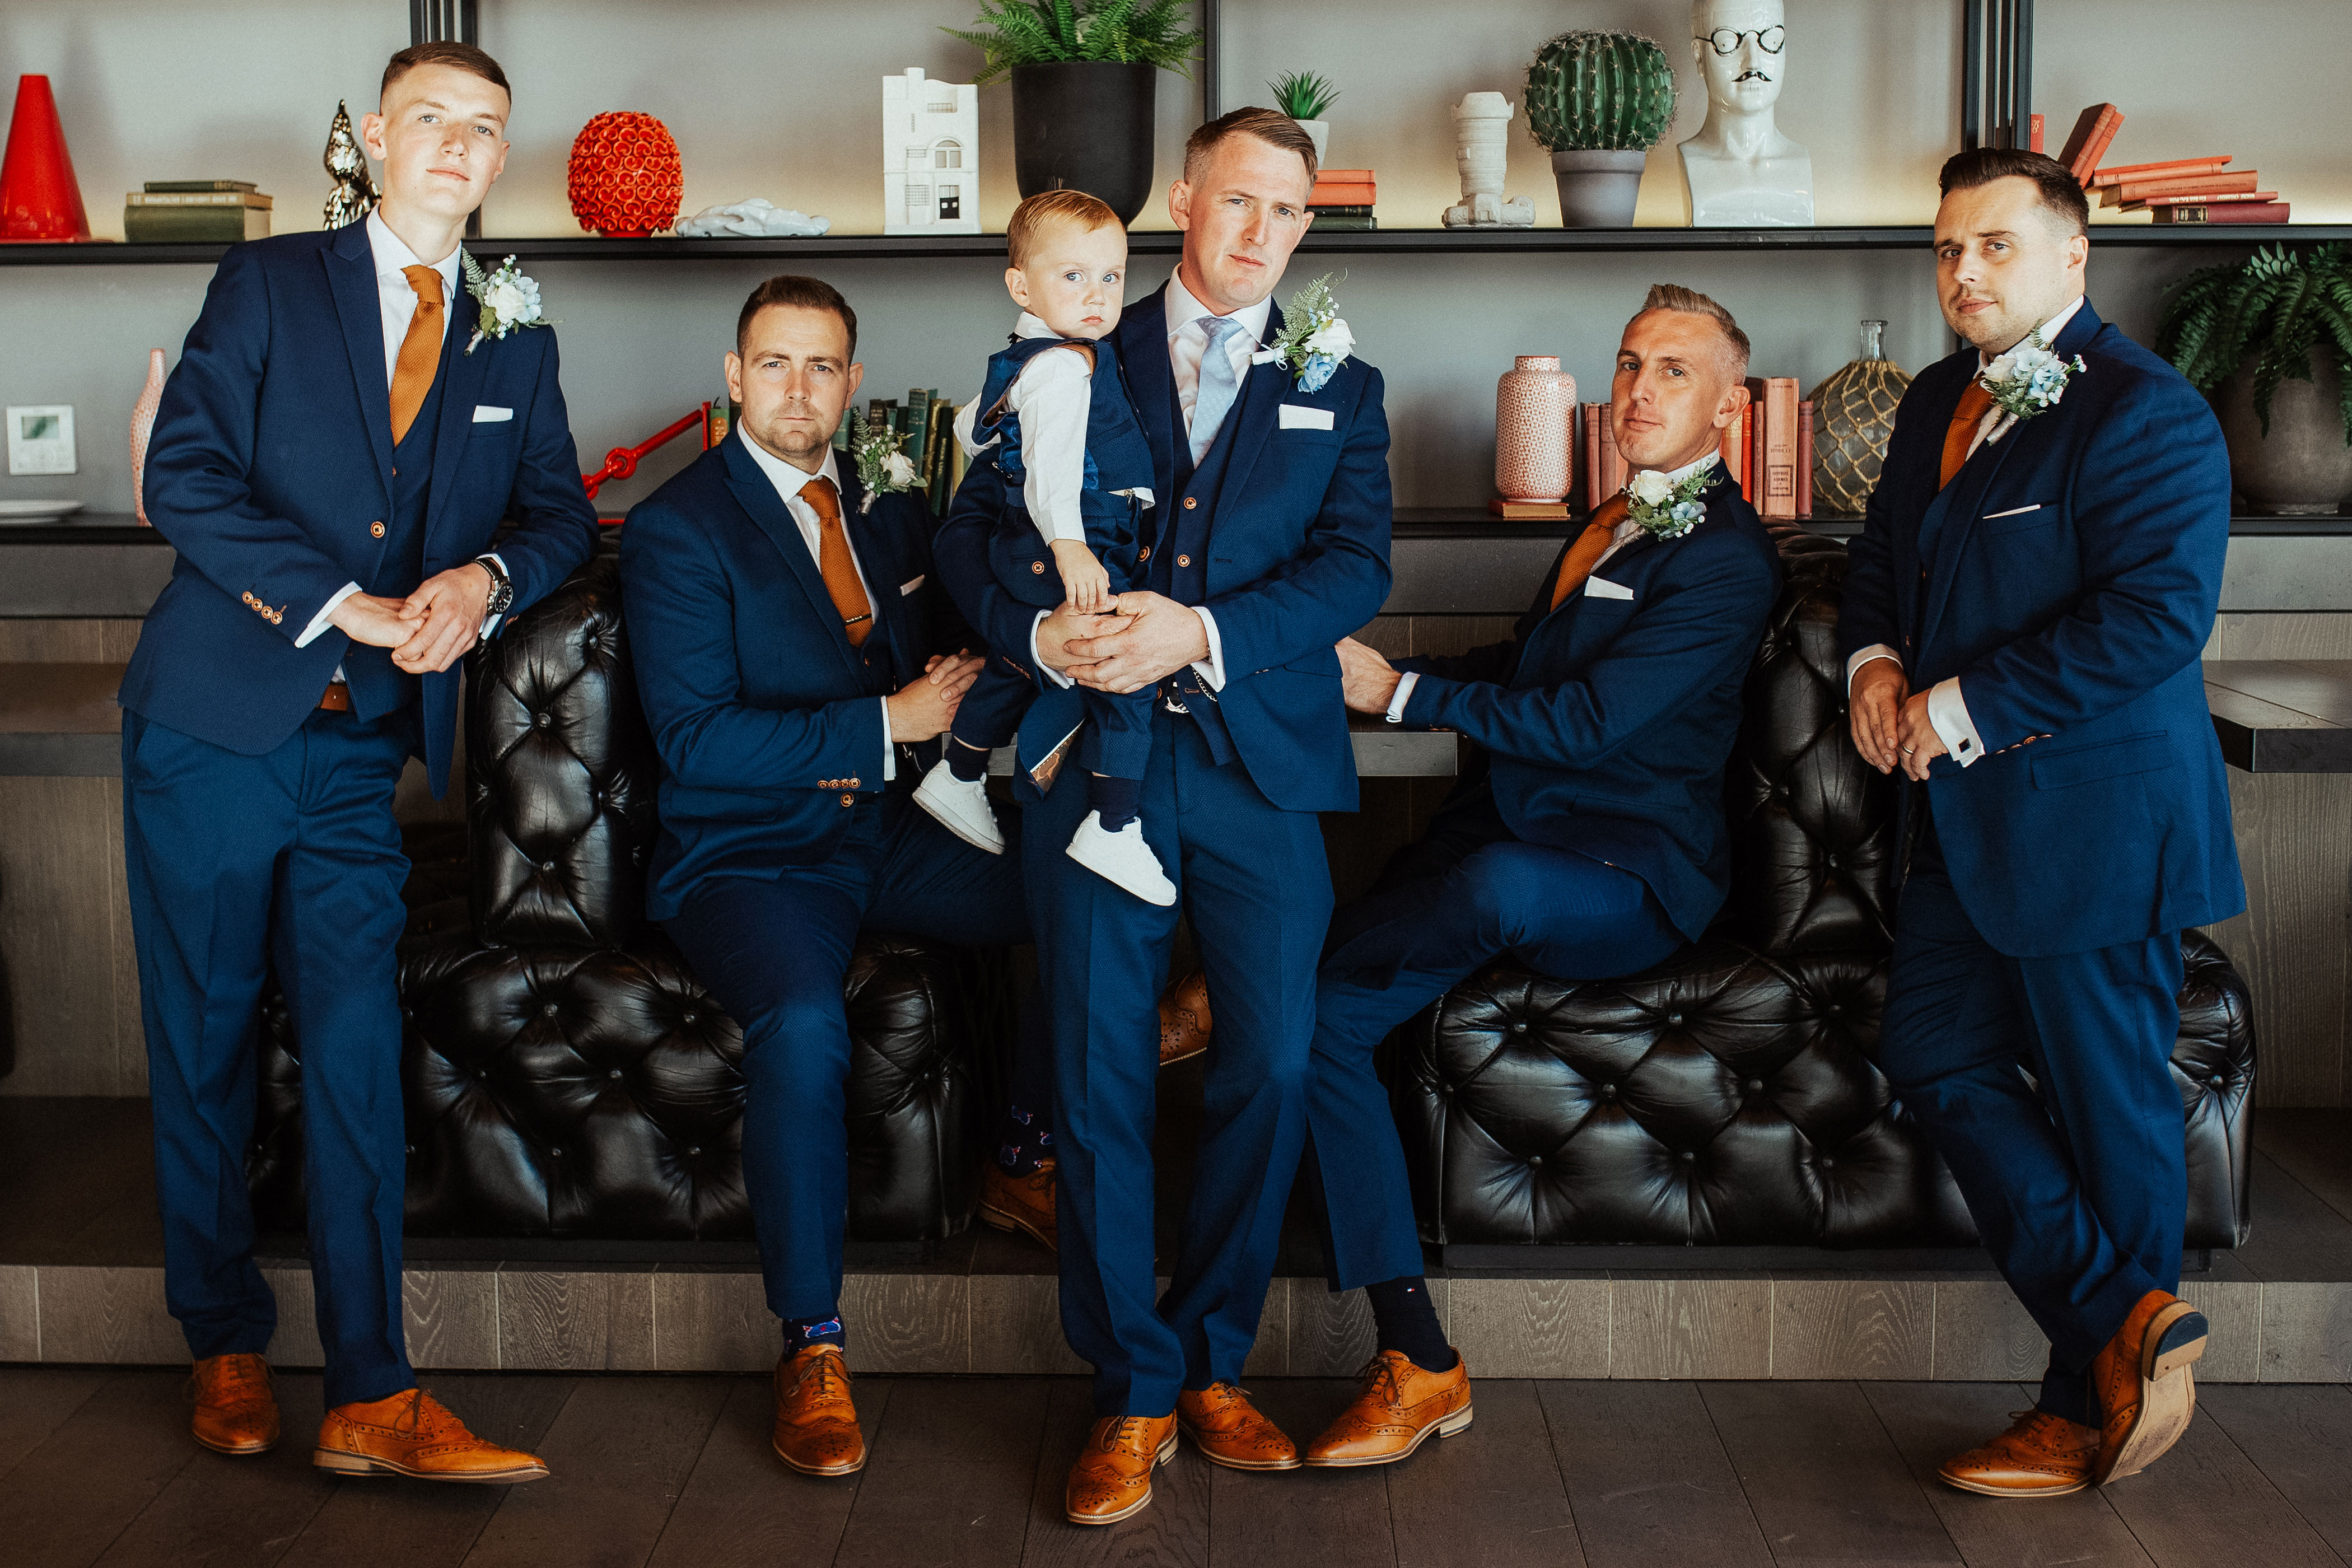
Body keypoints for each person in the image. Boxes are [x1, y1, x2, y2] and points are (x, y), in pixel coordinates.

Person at [121, 41, 596, 1481]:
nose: (459, 146)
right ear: (378, 139)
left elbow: (562, 515)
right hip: (213, 726)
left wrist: (487, 580)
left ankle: (374, 1394)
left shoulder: (518, 327)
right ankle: (220, 1338)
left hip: (360, 760)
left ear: (501, 158)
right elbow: (181, 476)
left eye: (486, 129)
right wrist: (348, 603)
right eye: (433, 121)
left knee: (351, 1050)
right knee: (202, 1042)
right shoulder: (270, 287)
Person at [934, 106, 1392, 1525]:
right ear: (1184, 199)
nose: (1259, 233)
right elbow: (965, 533)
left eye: (1288, 213)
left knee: (1270, 1061)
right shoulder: (1074, 343)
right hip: (1094, 762)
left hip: (1260, 765)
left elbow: (1354, 566)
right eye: (1237, 200)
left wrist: (1197, 629)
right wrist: (1037, 638)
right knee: (1097, 1075)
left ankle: (1210, 1356)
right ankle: (1131, 1391)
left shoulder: (1343, 383)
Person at [1308, 286, 1782, 1464]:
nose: (1638, 389)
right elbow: (1525, 666)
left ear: (1732, 405)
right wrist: (1375, 672)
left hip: (1630, 881)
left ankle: (1231, 996)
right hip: (1516, 839)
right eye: (1628, 364)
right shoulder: (1612, 520)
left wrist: (1404, 698)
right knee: (1319, 1022)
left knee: (1486, 886)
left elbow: (1582, 721)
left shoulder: (1725, 558)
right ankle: (1419, 1355)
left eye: (1674, 371)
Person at [1838, 147, 2243, 1498]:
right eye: (1950, 248)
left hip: (2095, 826)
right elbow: (1885, 555)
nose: (1964, 273)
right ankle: (2129, 1324)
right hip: (1955, 825)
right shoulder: (1939, 398)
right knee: (1932, 1051)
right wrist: (1876, 666)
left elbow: (2152, 623)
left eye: (1997, 247)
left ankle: (2088, 1414)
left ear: (2076, 256)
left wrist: (1949, 705)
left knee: (2108, 1110)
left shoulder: (2151, 411)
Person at [618, 274, 1057, 1478]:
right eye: (775, 364)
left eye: (823, 367)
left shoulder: (883, 506)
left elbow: (942, 650)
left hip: (891, 827)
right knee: (804, 1021)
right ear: (733, 373)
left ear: (853, 384)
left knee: (1080, 890)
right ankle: (811, 1340)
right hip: (750, 858)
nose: (799, 389)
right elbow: (699, 739)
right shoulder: (679, 528)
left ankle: (1021, 1154)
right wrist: (888, 719)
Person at [913, 189, 1173, 906]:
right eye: (1073, 277)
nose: (1097, 296)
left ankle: (960, 772)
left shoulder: (1028, 358)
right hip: (1071, 539)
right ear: (1021, 285)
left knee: (1017, 662)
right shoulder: (1063, 367)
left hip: (1032, 545)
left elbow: (972, 429)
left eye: (1111, 277)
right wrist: (1072, 547)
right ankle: (1115, 824)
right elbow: (1055, 470)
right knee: (1120, 670)